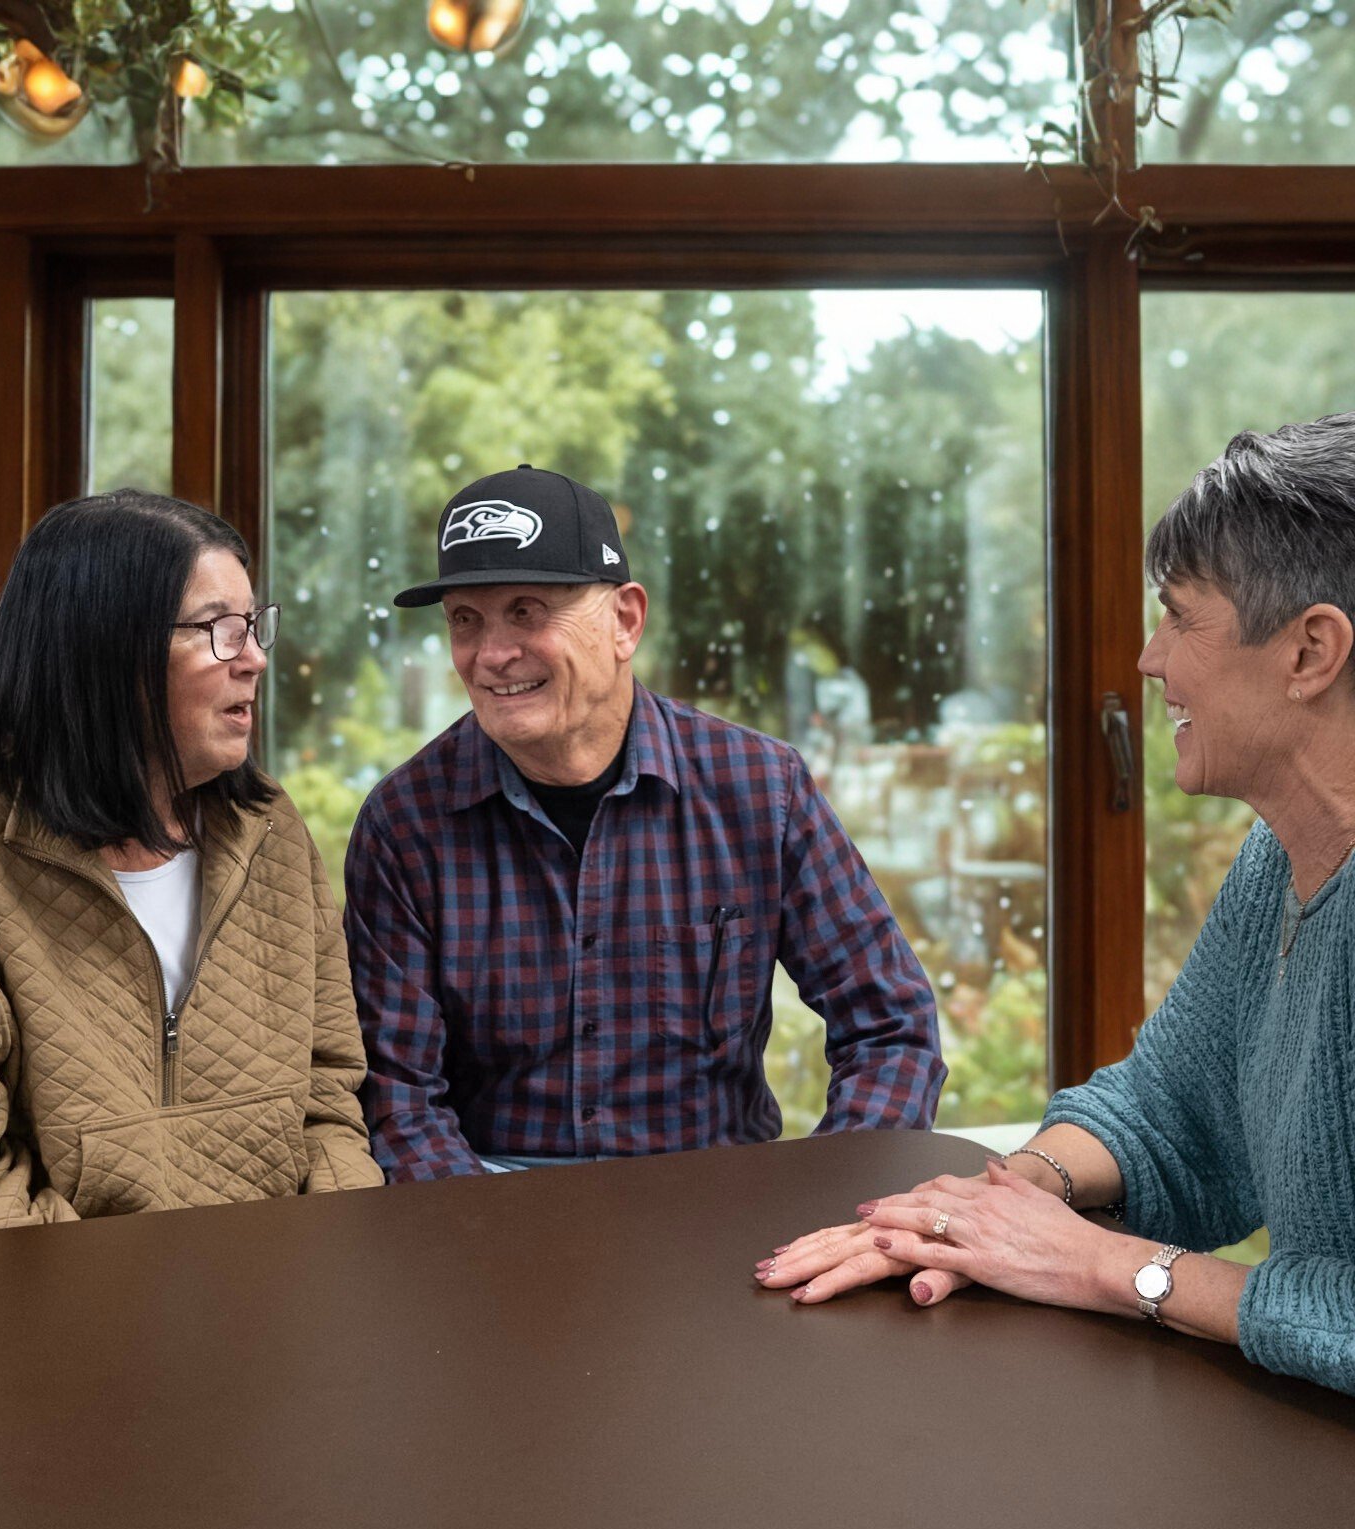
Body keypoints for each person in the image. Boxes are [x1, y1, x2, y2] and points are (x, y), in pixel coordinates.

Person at [756, 413, 1355, 1397]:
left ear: (1310, 651)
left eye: (1180, 617)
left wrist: (1103, 1265)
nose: (1150, 659)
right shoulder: (1277, 858)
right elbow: (1166, 1106)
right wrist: (994, 1204)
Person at [345, 464, 944, 1181]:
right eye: (464, 620)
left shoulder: (761, 788)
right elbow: (399, 1097)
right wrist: (482, 1233)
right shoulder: (405, 823)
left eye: (527, 612)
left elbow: (891, 1029)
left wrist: (831, 1209)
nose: (491, 654)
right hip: (490, 1198)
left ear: (625, 621)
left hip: (715, 1196)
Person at [0, 490, 382, 1263]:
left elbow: (327, 1099)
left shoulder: (270, 825)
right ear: (106, 647)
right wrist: (136, 1303)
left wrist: (331, 1261)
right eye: (219, 629)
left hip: (274, 1293)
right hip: (50, 1312)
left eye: (253, 624)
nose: (255, 657)